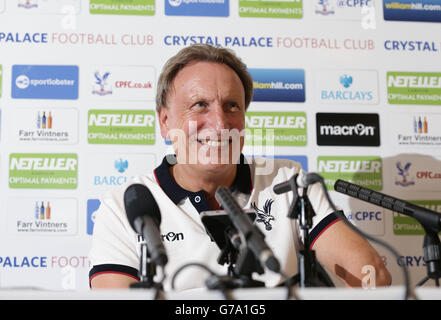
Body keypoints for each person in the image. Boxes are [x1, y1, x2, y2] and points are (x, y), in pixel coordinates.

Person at [88, 44, 391, 290]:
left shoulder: (289, 181)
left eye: (232, 106)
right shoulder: (121, 208)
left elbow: (370, 275)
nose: (220, 124)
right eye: (199, 105)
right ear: (165, 122)